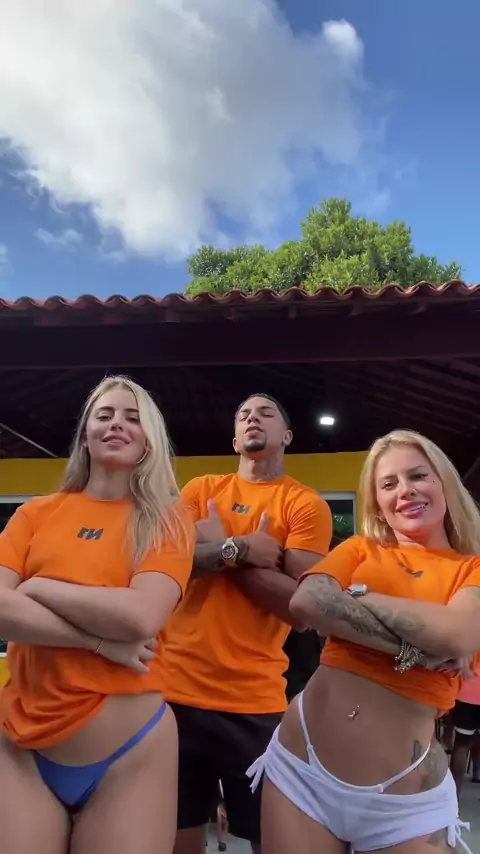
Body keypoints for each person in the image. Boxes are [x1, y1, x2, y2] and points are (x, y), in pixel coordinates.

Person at [248, 429, 480, 854]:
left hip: (404, 800)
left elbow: (459, 634)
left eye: (418, 476)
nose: (405, 491)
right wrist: (417, 649)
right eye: (389, 484)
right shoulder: (360, 549)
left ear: (444, 483)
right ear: (378, 503)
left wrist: (358, 596)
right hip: (301, 770)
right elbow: (308, 600)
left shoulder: (472, 568)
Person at [0, 376, 194, 854]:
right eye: (104, 415)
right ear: (85, 433)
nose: (116, 424)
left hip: (130, 756)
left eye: (132, 417)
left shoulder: (166, 520)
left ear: (149, 438)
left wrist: (39, 587)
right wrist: (98, 642)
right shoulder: (35, 514)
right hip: (19, 749)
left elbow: (141, 616)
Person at [163, 393, 332, 854]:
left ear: (287, 436)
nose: (252, 418)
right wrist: (240, 550)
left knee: (270, 840)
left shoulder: (304, 504)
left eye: (265, 413)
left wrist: (221, 553)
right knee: (177, 837)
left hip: (255, 700)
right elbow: (170, 566)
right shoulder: (200, 490)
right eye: (243, 415)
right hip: (174, 693)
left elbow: (299, 607)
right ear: (235, 440)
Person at [450, 673, 480, 794]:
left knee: (461, 743)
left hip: (465, 691)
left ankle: (454, 794)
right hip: (465, 691)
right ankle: (477, 771)